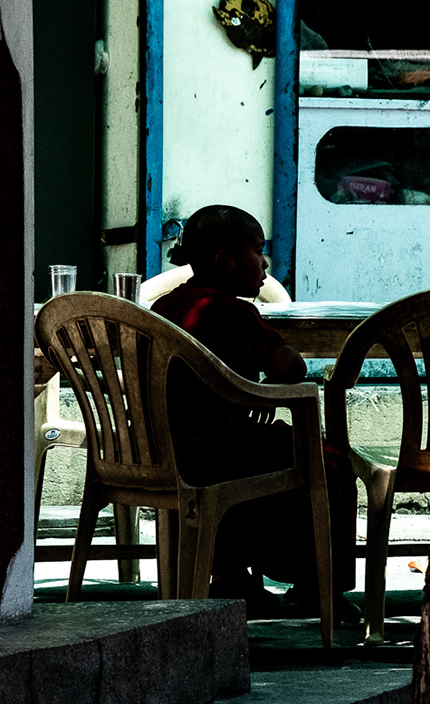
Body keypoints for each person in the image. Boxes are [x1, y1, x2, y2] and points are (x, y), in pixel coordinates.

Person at [150, 205, 358, 621]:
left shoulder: (165, 306)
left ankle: (231, 577)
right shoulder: (233, 311)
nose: (265, 264)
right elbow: (292, 367)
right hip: (214, 454)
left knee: (262, 446)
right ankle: (320, 587)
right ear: (225, 260)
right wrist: (267, 384)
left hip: (166, 450)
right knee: (330, 462)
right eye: (258, 250)